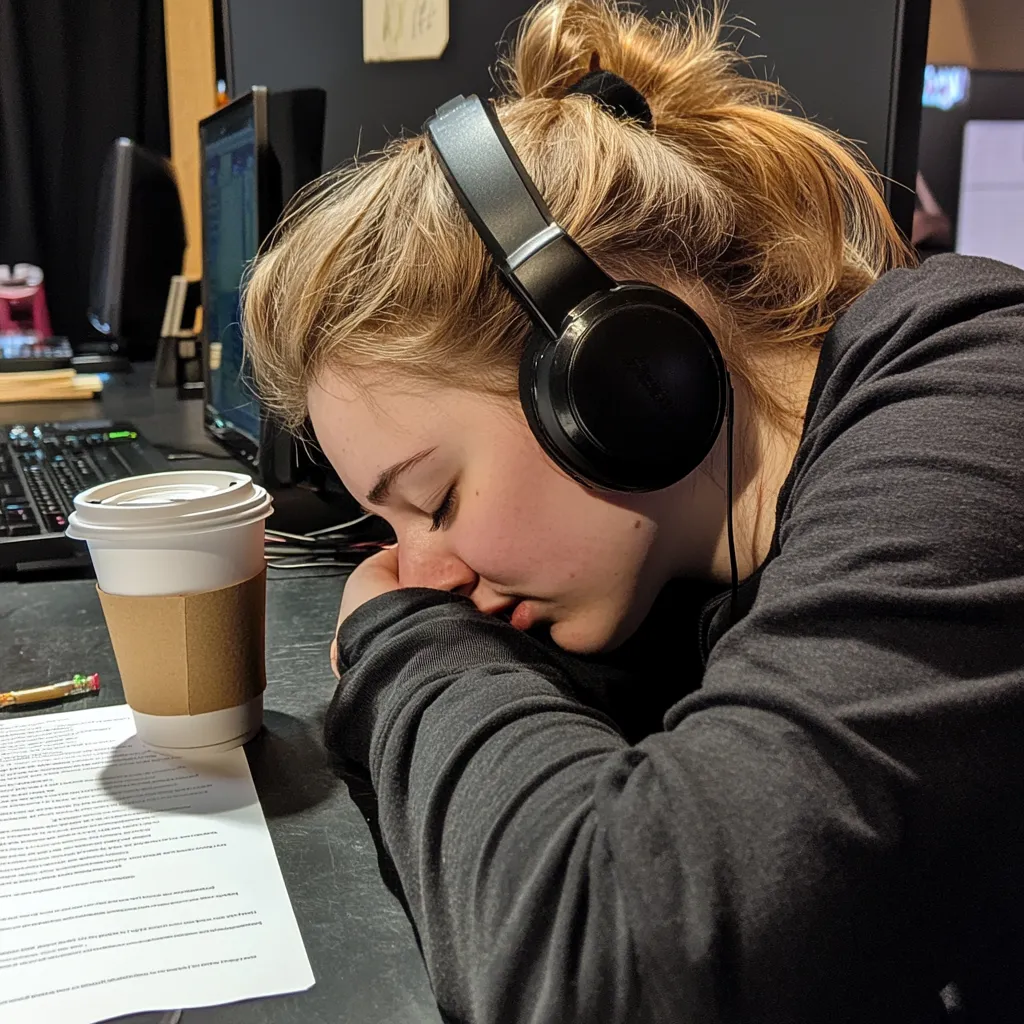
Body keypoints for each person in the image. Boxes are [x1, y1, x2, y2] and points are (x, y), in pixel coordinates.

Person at [242, 2, 1024, 1020]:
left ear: (615, 368)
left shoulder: (980, 390)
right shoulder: (687, 574)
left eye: (434, 498)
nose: (421, 570)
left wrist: (403, 643)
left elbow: (615, 960)